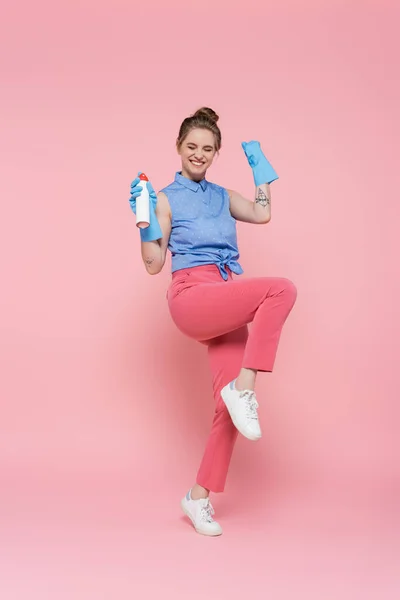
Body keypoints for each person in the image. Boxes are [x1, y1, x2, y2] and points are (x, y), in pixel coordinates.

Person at [129, 107, 297, 537]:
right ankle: (245, 388)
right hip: (192, 295)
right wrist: (144, 222)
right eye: (191, 147)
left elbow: (261, 214)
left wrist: (261, 169)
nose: (199, 154)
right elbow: (153, 265)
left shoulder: (222, 196)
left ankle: (198, 497)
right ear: (179, 148)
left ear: (216, 152)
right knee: (281, 289)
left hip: (224, 293)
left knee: (227, 412)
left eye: (207, 148)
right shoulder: (165, 197)